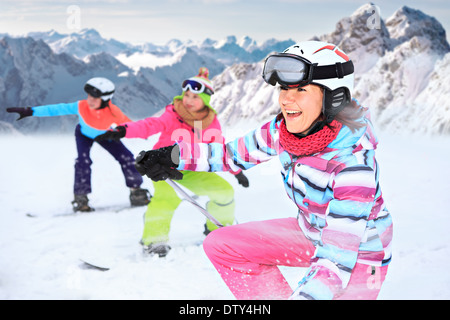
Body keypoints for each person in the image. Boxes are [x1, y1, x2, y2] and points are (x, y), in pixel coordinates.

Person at [134, 41, 393, 300]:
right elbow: (231, 155)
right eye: (283, 88)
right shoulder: (285, 131)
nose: (286, 99)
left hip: (358, 253)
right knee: (222, 244)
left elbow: (335, 262)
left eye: (301, 89)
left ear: (334, 97)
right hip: (310, 231)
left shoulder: (353, 168)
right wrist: (172, 156)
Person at [95, 67, 249, 257]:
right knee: (166, 200)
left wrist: (237, 171)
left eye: (195, 97)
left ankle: (217, 231)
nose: (189, 101)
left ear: (206, 100)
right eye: (187, 95)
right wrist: (123, 130)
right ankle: (154, 241)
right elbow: (150, 125)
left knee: (224, 192)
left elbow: (218, 151)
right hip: (163, 168)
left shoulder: (210, 122)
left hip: (193, 169)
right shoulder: (173, 115)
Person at [6, 77, 151, 212]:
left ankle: (136, 191)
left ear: (105, 99)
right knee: (83, 161)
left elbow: (131, 126)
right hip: (83, 135)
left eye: (94, 97)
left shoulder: (114, 113)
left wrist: (145, 133)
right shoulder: (81, 106)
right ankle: (81, 198)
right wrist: (30, 111)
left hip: (106, 135)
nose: (90, 100)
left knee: (126, 157)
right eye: (89, 96)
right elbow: (56, 109)